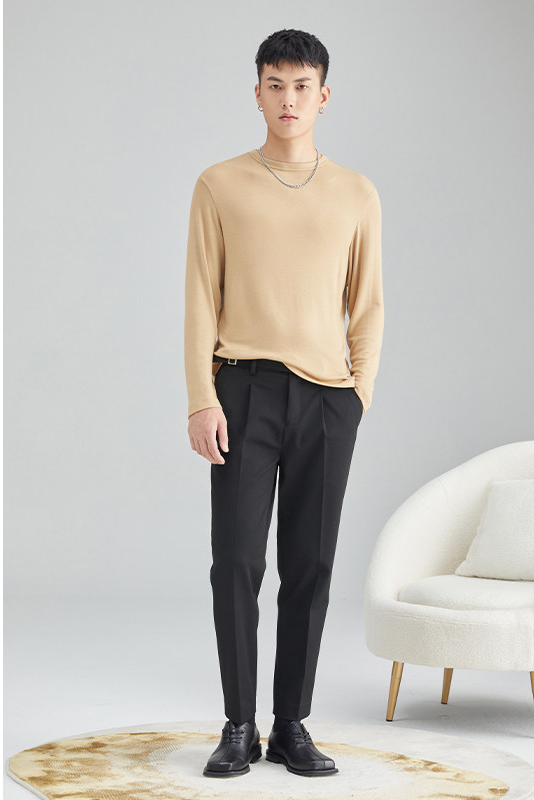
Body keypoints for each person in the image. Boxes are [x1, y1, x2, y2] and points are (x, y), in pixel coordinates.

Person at [184, 28, 383, 778]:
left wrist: (358, 395)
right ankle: (238, 725)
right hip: (243, 389)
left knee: (311, 565)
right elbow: (200, 298)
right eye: (275, 85)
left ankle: (291, 723)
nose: (288, 99)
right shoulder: (220, 184)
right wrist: (201, 397)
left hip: (328, 399)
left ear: (323, 96)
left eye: (302, 87)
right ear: (258, 93)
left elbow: (368, 305)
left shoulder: (356, 193)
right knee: (235, 562)